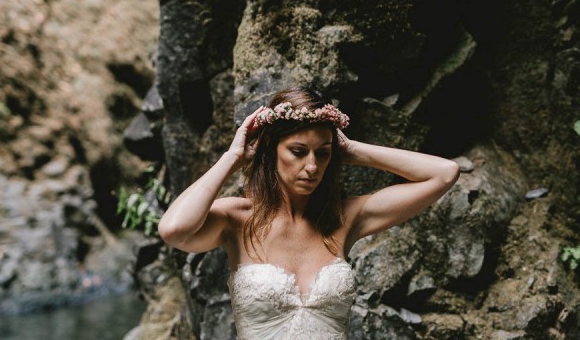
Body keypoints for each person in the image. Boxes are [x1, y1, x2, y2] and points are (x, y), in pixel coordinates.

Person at [158, 86, 460, 340]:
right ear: (271, 150)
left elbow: (444, 174)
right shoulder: (237, 219)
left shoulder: (346, 218)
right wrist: (233, 157)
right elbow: (174, 230)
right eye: (299, 151)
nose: (312, 166)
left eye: (323, 153)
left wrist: (352, 150)